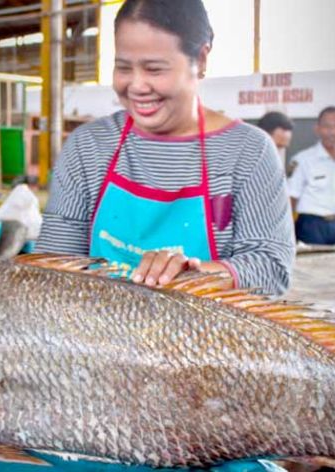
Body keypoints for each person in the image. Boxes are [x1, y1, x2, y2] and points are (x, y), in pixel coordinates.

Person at [37, 0, 294, 295]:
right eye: (123, 68)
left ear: (201, 59)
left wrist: (194, 274)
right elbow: (51, 268)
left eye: (154, 69)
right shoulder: (88, 147)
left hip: (206, 337)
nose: (136, 86)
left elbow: (272, 269)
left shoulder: (247, 151)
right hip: (96, 335)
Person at [287, 106, 335, 246]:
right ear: (317, 129)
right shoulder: (302, 160)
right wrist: (287, 231)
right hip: (311, 226)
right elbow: (291, 199)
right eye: (327, 127)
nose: (333, 132)